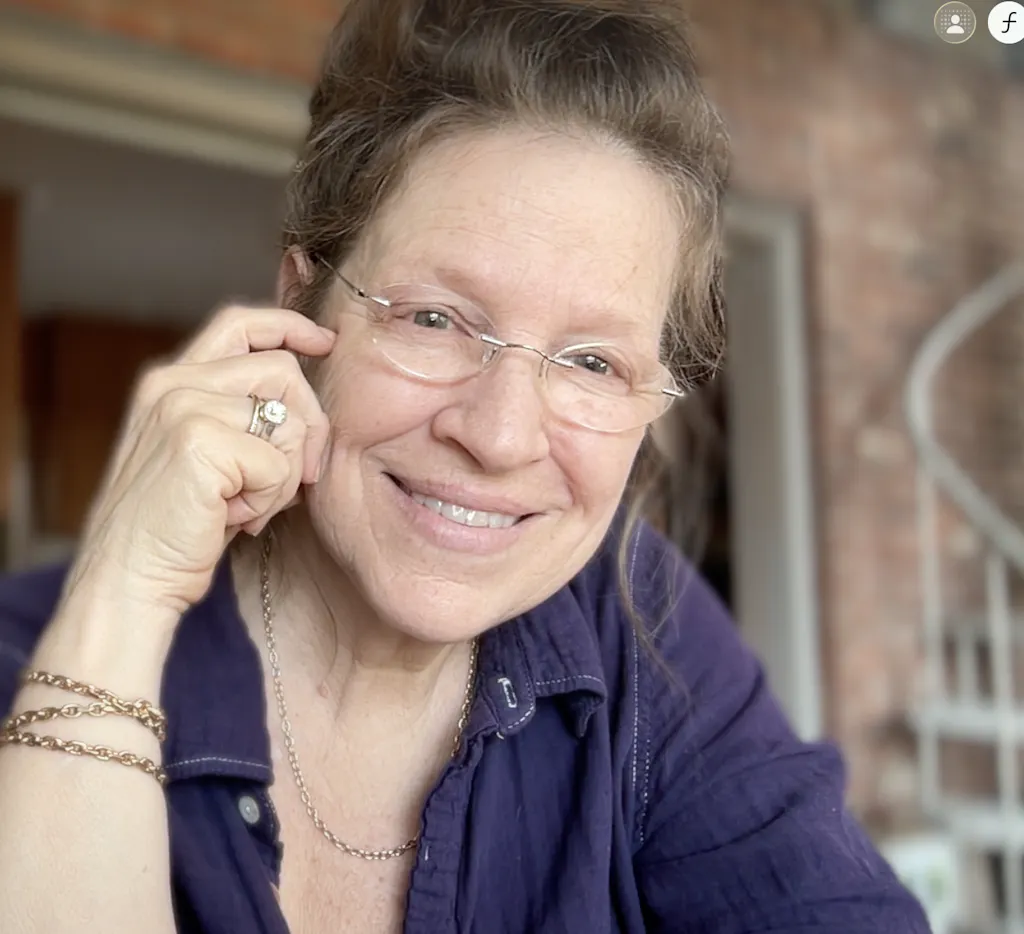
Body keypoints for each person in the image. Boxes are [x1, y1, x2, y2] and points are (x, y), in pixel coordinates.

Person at [0, 1, 930, 932]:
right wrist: (122, 597)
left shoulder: (638, 625)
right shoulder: (30, 652)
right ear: (300, 308)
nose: (500, 435)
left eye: (592, 362)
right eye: (434, 318)